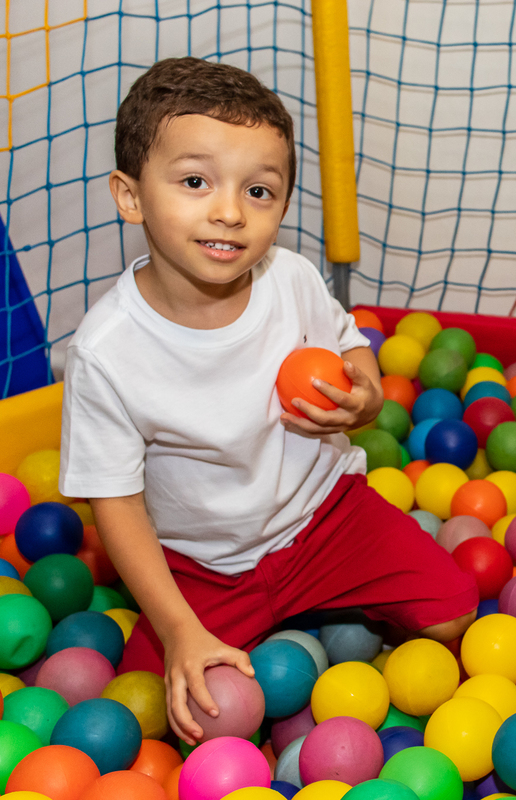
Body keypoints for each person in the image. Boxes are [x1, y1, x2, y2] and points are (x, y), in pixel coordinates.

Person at [59, 57, 477, 744]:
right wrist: (179, 629)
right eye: (195, 182)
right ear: (130, 196)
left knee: (454, 613)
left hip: (326, 518)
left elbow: (350, 349)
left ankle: (319, 608)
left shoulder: (290, 278)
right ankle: (259, 626)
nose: (229, 211)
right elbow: (116, 506)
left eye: (259, 191)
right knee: (177, 719)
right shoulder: (106, 351)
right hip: (205, 566)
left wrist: (365, 398)